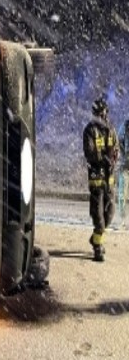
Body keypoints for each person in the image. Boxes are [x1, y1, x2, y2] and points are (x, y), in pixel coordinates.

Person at [82, 96, 119, 261]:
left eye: (104, 112)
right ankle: (98, 247)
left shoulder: (111, 129)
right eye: (100, 112)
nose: (103, 115)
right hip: (97, 178)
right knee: (98, 216)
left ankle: (96, 237)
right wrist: (101, 158)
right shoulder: (89, 130)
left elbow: (116, 146)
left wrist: (113, 158)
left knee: (110, 213)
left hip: (109, 180)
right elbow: (89, 152)